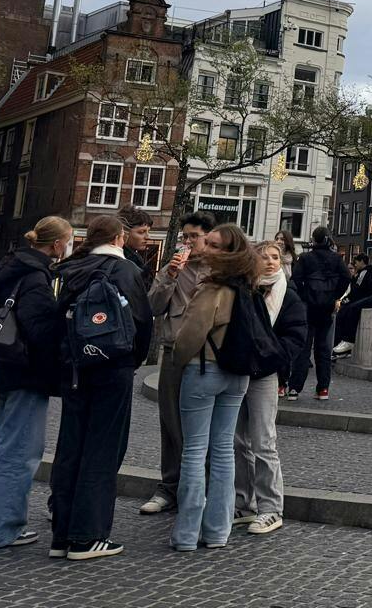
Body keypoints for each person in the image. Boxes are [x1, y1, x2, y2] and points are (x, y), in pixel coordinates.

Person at [50, 214, 153, 560]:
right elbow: (142, 323)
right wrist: (131, 362)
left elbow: (57, 318)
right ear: (120, 239)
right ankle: (88, 535)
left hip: (76, 368)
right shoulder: (129, 273)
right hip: (114, 367)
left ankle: (61, 534)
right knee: (103, 447)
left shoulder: (72, 270)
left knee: (71, 445)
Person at [0, 215, 71, 551]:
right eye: (67, 241)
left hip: (7, 369)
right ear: (56, 245)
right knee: (19, 452)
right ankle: (2, 529)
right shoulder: (37, 279)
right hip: (28, 373)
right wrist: (64, 317)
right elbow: (40, 330)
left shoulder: (13, 268)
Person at [168, 222, 253, 552]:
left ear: (228, 252)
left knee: (193, 451)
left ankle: (187, 533)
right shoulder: (249, 286)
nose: (207, 249)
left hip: (205, 369)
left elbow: (190, 335)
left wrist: (178, 359)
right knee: (223, 451)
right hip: (239, 373)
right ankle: (218, 530)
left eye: (216, 245)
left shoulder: (212, 288)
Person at [142, 210, 212, 514]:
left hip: (208, 356)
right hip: (173, 352)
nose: (187, 242)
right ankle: (169, 486)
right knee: (169, 421)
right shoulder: (171, 269)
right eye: (184, 236)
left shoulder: (220, 268)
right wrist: (168, 278)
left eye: (193, 237)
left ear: (209, 238)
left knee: (206, 427)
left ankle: (201, 488)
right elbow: (152, 306)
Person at [235, 240, 307, 536]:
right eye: (263, 257)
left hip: (265, 374)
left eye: (275, 257)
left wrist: (275, 358)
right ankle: (243, 501)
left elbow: (296, 335)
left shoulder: (288, 296)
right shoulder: (244, 290)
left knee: (264, 440)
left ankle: (270, 507)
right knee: (238, 441)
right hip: (239, 371)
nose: (270, 262)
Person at [291, 226, 350, 402]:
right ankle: (323, 388)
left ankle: (294, 388)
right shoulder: (336, 259)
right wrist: (335, 296)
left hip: (308, 307)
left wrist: (304, 295)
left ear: (314, 240)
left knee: (303, 348)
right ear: (328, 240)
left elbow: (296, 278)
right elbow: (346, 277)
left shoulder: (306, 258)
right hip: (326, 308)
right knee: (323, 349)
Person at [329, 254, 372, 357]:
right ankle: (341, 345)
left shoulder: (364, 273)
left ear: (362, 262)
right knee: (342, 313)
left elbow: (356, 290)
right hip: (359, 300)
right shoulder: (362, 273)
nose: (355, 264)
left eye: (356, 262)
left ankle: (344, 344)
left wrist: (344, 302)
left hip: (359, 301)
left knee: (344, 313)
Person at [117, 207, 156, 285]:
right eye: (141, 232)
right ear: (124, 233)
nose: (148, 237)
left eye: (148, 231)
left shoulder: (135, 258)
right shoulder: (122, 261)